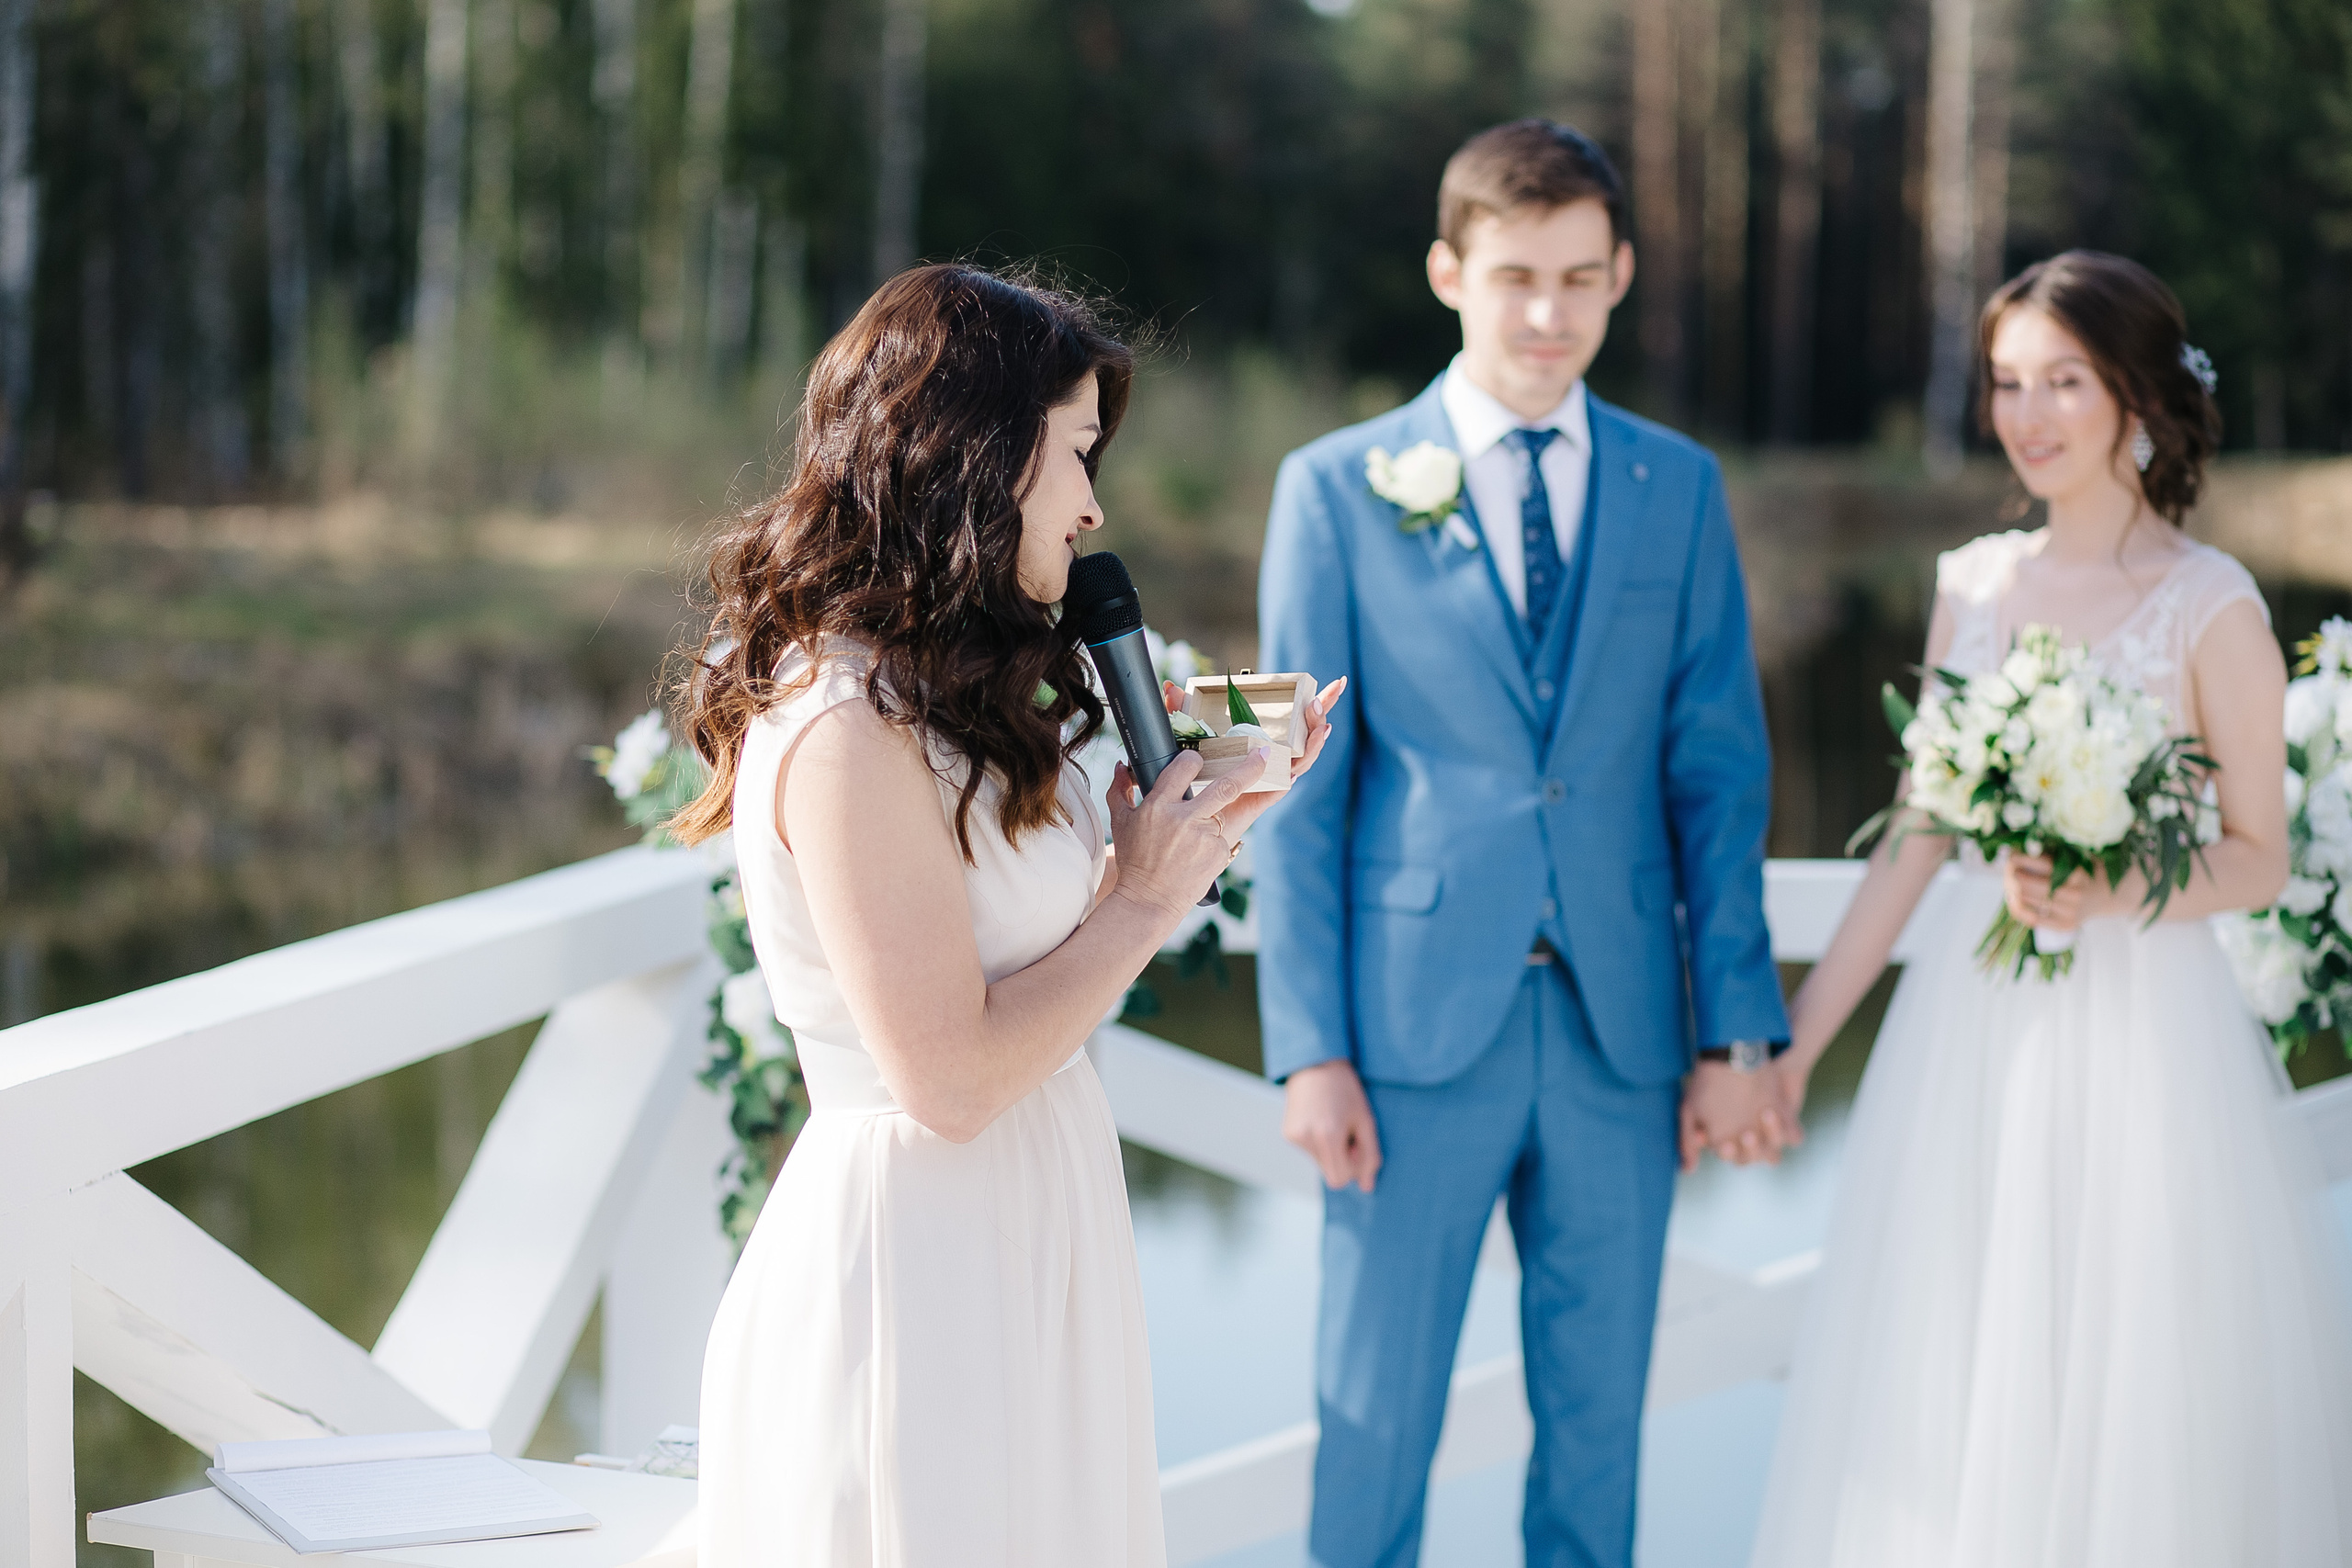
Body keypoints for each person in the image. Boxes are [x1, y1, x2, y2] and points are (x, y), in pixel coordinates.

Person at [670, 265, 1340, 1567]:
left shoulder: (949, 698)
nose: (1093, 507)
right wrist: (1143, 899)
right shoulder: (845, 724)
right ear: (973, 458)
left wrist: (1193, 833)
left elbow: (1041, 951)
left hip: (1035, 1219)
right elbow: (951, 1079)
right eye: (1076, 455)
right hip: (918, 1263)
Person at [1750, 251, 2352, 1565]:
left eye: (2063, 381)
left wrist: (2114, 885)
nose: (2026, 414)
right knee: (1959, 1378)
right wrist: (1795, 1047)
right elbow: (1914, 839)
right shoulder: (1972, 583)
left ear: (2137, 393)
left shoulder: (2214, 606)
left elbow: (2259, 857)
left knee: (2135, 1383)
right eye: (2007, 382)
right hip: (1971, 1040)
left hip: (2148, 1046)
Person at [1255, 118, 1792, 1568]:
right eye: (1515, 278)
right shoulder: (1335, 487)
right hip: (1405, 1042)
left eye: (1578, 278)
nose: (1548, 314)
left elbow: (1718, 780)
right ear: (1450, 273)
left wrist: (1735, 1031)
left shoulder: (1678, 487)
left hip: (1626, 1037)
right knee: (1372, 1433)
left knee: (1598, 1443)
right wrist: (1309, 1047)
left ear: (1622, 276)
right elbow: (1299, 795)